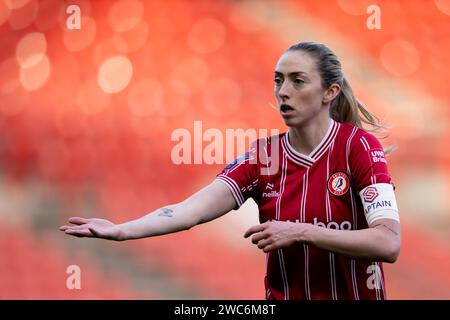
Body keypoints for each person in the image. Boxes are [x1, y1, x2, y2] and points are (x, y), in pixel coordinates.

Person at [60, 41, 400, 300]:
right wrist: (123, 230)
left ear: (330, 91)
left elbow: (388, 243)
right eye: (278, 80)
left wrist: (300, 232)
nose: (283, 92)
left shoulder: (359, 148)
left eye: (298, 81)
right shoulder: (263, 157)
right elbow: (187, 210)